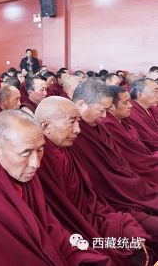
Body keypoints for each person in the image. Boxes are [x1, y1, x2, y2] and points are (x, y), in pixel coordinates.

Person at [0, 110, 111, 266]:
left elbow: (48, 228)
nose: (36, 164)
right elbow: (1, 258)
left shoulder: (19, 171)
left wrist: (83, 254)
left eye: (40, 150)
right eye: (25, 153)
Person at [35, 96, 149, 264]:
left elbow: (89, 196)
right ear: (45, 126)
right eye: (71, 122)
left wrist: (108, 217)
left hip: (89, 219)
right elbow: (51, 215)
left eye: (78, 122)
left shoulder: (65, 149)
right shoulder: (38, 159)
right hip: (69, 230)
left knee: (131, 233)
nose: (78, 130)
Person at [68, 78, 158, 240]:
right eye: (101, 110)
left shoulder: (99, 126)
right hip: (110, 203)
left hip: (129, 191)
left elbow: (121, 167)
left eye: (107, 110)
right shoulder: (71, 135)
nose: (105, 116)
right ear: (81, 105)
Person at [101, 86, 158, 187]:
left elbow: (141, 148)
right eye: (125, 102)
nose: (130, 106)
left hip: (146, 160)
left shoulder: (124, 119)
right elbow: (131, 158)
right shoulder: (107, 125)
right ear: (111, 106)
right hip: (139, 168)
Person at [125, 78, 158, 152]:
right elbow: (148, 142)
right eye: (155, 91)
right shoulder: (131, 114)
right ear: (140, 95)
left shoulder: (153, 109)